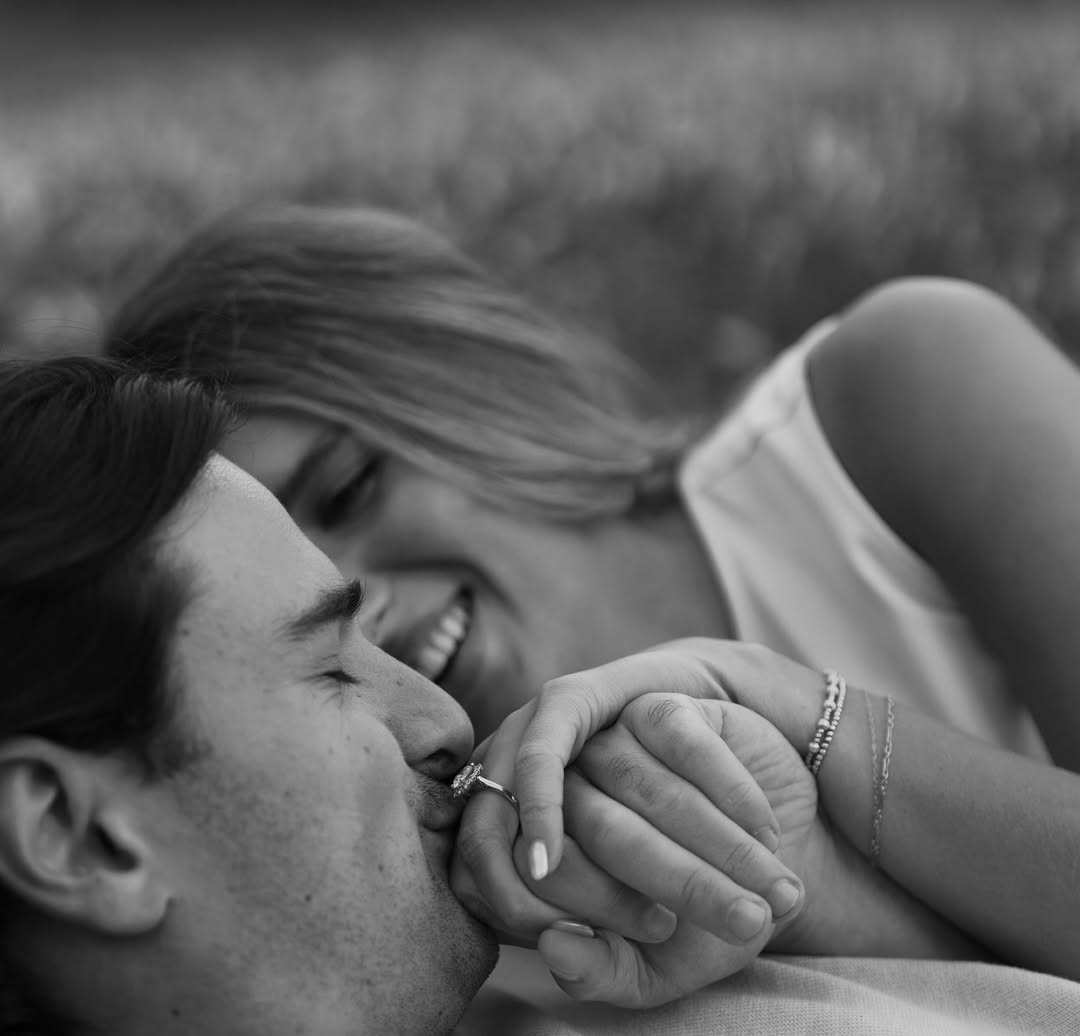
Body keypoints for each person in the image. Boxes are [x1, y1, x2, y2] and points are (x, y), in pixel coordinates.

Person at [3, 356, 1079, 1036]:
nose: (441, 715)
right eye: (332, 668)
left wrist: (827, 860)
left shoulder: (606, 970)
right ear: (77, 835)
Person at [101, 203, 1080, 988]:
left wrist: (788, 703)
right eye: (304, 601)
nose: (371, 611)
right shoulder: (490, 886)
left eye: (350, 489)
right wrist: (798, 888)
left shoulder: (897, 392)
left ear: (452, 371)